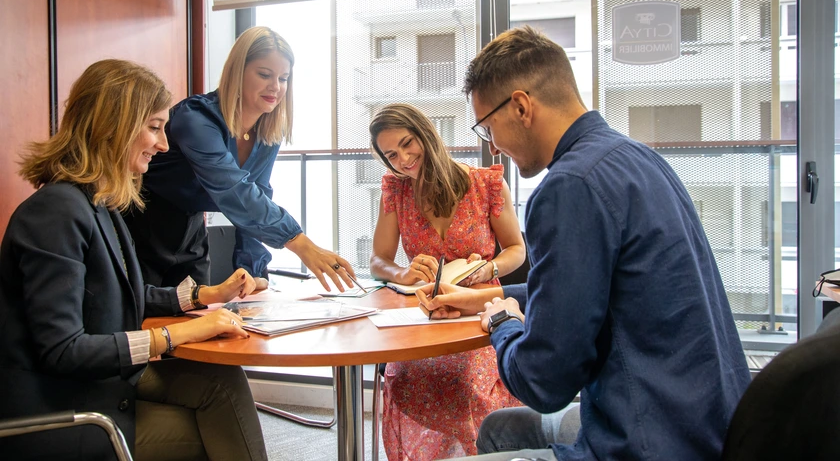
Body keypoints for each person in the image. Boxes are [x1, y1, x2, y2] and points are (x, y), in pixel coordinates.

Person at [419, 26, 752, 461]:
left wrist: (503, 325)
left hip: (647, 443)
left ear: (520, 106)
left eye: (487, 128)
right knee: (500, 428)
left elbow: (543, 383)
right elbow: (587, 288)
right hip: (709, 423)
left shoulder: (568, 187)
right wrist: (481, 297)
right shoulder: (635, 158)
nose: (494, 148)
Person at [0, 60, 268, 461]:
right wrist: (176, 336)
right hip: (60, 410)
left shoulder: (98, 204)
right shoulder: (55, 212)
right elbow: (63, 351)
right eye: (155, 128)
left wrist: (204, 295)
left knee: (222, 382)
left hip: (99, 384)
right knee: (208, 435)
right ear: (114, 126)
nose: (163, 146)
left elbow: (119, 293)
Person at [124, 26, 355, 292]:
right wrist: (299, 242)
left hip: (191, 236)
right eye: (265, 74)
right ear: (238, 72)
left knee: (199, 318)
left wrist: (251, 270)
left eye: (283, 78)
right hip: (142, 227)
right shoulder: (195, 119)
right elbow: (235, 191)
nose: (275, 87)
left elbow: (257, 199)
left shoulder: (268, 134)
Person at [369, 103, 527, 460]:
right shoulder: (397, 191)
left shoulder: (485, 184)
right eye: (391, 154)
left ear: (427, 134)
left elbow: (516, 250)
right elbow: (377, 260)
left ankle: (484, 452)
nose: (404, 159)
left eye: (408, 143)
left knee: (470, 381)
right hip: (426, 314)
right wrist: (401, 273)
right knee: (406, 379)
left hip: (479, 313)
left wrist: (489, 270)